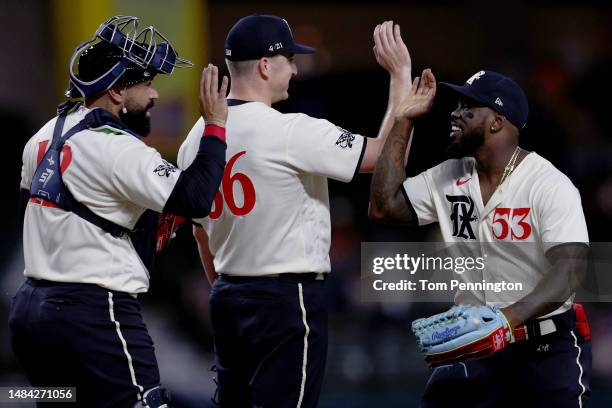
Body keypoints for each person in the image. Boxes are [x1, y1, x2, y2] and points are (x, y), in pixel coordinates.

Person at [177, 15, 412, 408]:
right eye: (289, 58)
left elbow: (200, 233)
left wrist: (226, 289)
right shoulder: (290, 131)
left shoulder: (196, 138)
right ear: (266, 66)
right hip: (285, 300)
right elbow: (385, 157)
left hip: (228, 298)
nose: (296, 68)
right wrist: (400, 76)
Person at [9, 15, 229, 407]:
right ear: (115, 91)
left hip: (30, 314)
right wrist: (214, 124)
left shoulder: (41, 136)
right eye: (146, 83)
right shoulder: (117, 146)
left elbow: (62, 207)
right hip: (93, 311)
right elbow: (197, 197)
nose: (154, 95)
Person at [369, 68, 592, 407]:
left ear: (497, 122)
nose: (454, 114)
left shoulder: (548, 184)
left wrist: (505, 319)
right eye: (458, 105)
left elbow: (571, 270)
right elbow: (385, 206)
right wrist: (403, 120)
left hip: (543, 350)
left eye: (468, 108)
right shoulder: (450, 175)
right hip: (474, 346)